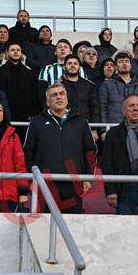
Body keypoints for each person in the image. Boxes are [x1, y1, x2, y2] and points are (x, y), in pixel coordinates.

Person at [23, 83, 97, 214]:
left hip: (73, 183)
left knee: (72, 223)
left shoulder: (81, 121)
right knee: (46, 223)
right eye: (54, 95)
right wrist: (33, 178)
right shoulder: (36, 122)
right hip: (45, 183)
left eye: (62, 94)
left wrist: (87, 177)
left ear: (67, 99)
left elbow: (90, 152)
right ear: (47, 102)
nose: (58, 97)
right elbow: (28, 153)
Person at [0, 41, 41, 140]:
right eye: (12, 50)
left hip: (24, 114)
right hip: (4, 112)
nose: (15, 52)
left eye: (18, 50)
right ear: (7, 53)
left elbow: (34, 95)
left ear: (21, 53)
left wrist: (33, 113)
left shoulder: (30, 74)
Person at [98, 51, 138, 137]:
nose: (124, 64)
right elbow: (102, 108)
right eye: (120, 61)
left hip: (137, 129)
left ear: (131, 65)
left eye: (126, 61)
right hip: (114, 128)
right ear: (115, 66)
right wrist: (103, 130)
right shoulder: (107, 84)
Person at [59, 54, 101, 142]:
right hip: (63, 129)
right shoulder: (58, 86)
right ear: (64, 67)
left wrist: (94, 129)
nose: (73, 65)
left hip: (85, 129)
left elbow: (95, 108)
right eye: (69, 63)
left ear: (79, 67)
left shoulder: (89, 86)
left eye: (75, 63)